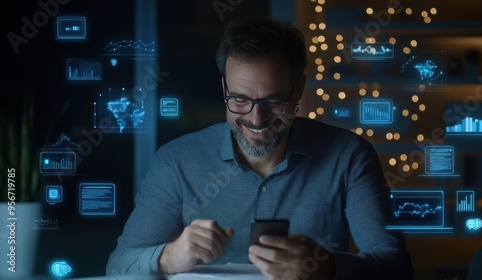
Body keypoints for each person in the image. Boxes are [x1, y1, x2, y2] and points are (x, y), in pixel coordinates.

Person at [106, 17, 414, 279]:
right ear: (224, 89)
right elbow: (118, 267)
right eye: (239, 99)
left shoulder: (349, 156)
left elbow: (397, 268)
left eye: (273, 101)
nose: (256, 118)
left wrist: (328, 268)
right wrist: (168, 257)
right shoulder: (175, 160)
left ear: (298, 91)